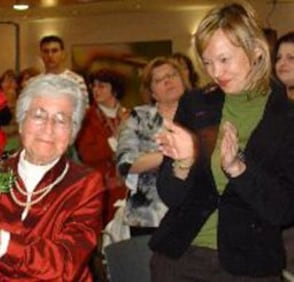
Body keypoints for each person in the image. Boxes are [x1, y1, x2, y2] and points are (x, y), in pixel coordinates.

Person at [150, 2, 294, 281]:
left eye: (224, 59)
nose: (216, 71)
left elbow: (284, 210)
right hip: (180, 257)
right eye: (207, 62)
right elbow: (170, 195)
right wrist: (183, 163)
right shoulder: (195, 104)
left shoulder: (287, 117)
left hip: (248, 264)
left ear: (255, 50)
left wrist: (239, 169)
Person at [0, 74, 105, 281]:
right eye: (39, 116)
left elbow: (66, 264)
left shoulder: (85, 184)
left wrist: (1, 241)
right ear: (21, 122)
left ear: (72, 134)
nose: (48, 128)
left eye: (61, 120)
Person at [116, 57, 187, 237]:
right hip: (149, 217)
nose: (168, 81)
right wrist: (172, 153)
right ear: (152, 92)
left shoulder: (201, 113)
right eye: (159, 80)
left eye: (172, 75)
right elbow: (125, 164)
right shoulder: (139, 117)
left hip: (197, 213)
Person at [75, 68, 129, 225]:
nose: (95, 90)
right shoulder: (87, 117)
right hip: (101, 189)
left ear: (115, 90)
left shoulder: (129, 114)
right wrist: (115, 139)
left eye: (101, 86)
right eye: (94, 86)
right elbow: (87, 154)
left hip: (129, 187)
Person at [274, 30, 294, 276]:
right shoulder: (272, 108)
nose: (282, 63)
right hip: (279, 219)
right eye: (279, 57)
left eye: (291, 57)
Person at [39, 35, 89, 106]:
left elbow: (84, 109)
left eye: (54, 51)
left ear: (63, 54)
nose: (50, 55)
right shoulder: (34, 83)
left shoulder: (76, 81)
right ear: (41, 55)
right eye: (46, 51)